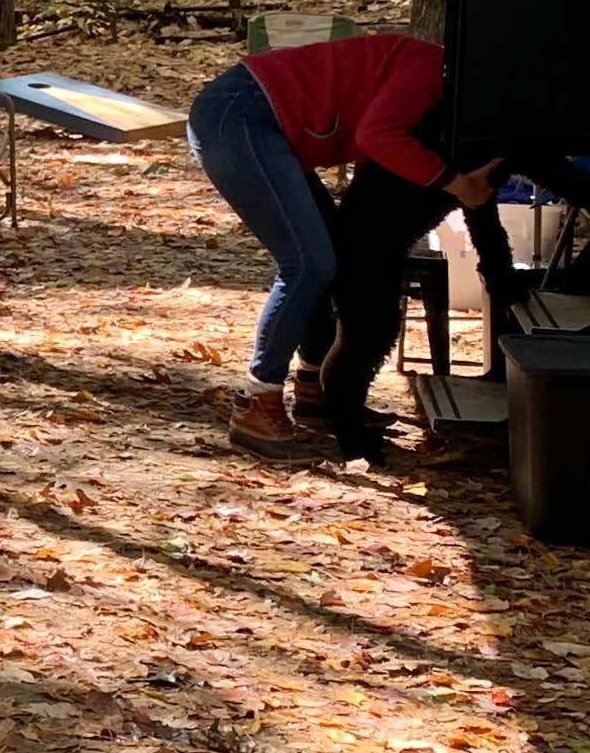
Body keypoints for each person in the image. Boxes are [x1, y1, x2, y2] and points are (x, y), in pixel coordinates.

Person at [185, 32, 496, 455]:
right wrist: (456, 183)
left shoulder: (441, 77)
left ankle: (313, 386)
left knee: (332, 250)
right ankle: (257, 400)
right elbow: (377, 136)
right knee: (308, 264)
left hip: (259, 118)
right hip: (239, 115)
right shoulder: (432, 70)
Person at [312, 142, 590, 461]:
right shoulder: (493, 140)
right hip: (367, 242)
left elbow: (482, 203)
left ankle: (348, 425)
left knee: (366, 336)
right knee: (367, 338)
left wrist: (499, 271)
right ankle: (348, 434)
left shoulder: (476, 136)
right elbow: (565, 182)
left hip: (371, 236)